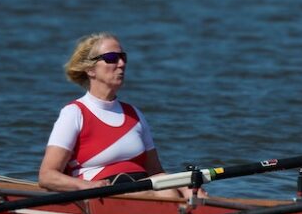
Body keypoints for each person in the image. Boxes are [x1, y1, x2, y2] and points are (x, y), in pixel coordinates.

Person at [39, 32, 190, 198]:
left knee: (188, 189)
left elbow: (156, 173)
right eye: (112, 58)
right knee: (167, 193)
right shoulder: (74, 113)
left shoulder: (135, 115)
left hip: (143, 191)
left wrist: (184, 185)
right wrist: (87, 186)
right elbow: (47, 176)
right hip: (102, 195)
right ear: (90, 69)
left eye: (123, 57)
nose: (122, 63)